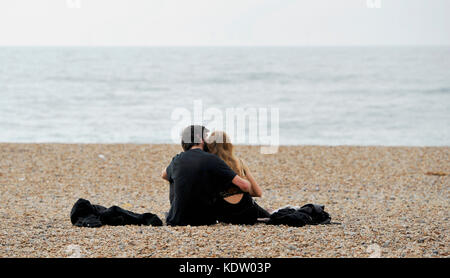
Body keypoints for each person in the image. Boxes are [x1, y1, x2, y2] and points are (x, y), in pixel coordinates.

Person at [161, 125, 251, 226]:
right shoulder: (212, 159)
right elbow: (245, 186)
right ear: (200, 138)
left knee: (174, 178)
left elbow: (164, 175)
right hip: (204, 221)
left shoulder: (177, 160)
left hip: (175, 220)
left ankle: (179, 211)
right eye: (206, 137)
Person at [206, 131, 270, 225]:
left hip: (224, 214)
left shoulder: (208, 165)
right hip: (247, 211)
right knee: (270, 215)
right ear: (229, 145)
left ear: (209, 146)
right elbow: (258, 192)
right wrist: (237, 190)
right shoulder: (239, 162)